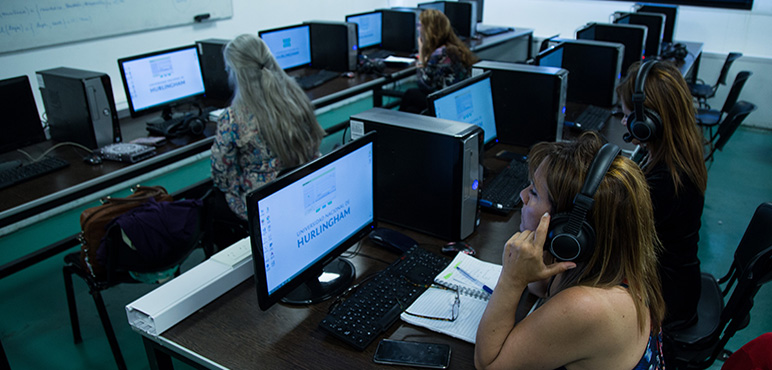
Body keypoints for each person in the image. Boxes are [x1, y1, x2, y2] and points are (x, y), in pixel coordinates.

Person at [475, 132, 666, 370]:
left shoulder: (585, 306)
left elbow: (488, 364)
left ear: (570, 229)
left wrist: (511, 279)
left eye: (534, 193)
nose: (522, 196)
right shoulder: (610, 260)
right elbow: (541, 285)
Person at [616, 60, 708, 330]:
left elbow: (613, 238)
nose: (623, 122)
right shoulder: (679, 154)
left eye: (628, 116)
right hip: (678, 279)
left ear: (648, 123)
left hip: (665, 300)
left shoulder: (666, 182)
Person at [211, 34, 325, 221]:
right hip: (306, 186)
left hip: (265, 204)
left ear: (236, 73)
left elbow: (222, 176)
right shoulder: (297, 97)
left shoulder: (232, 119)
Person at [399, 9, 478, 113]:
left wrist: (421, 55)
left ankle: (393, 125)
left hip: (446, 101)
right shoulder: (452, 47)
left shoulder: (440, 53)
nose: (418, 29)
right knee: (411, 108)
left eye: (420, 25)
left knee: (410, 94)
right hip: (458, 97)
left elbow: (424, 85)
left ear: (429, 30)